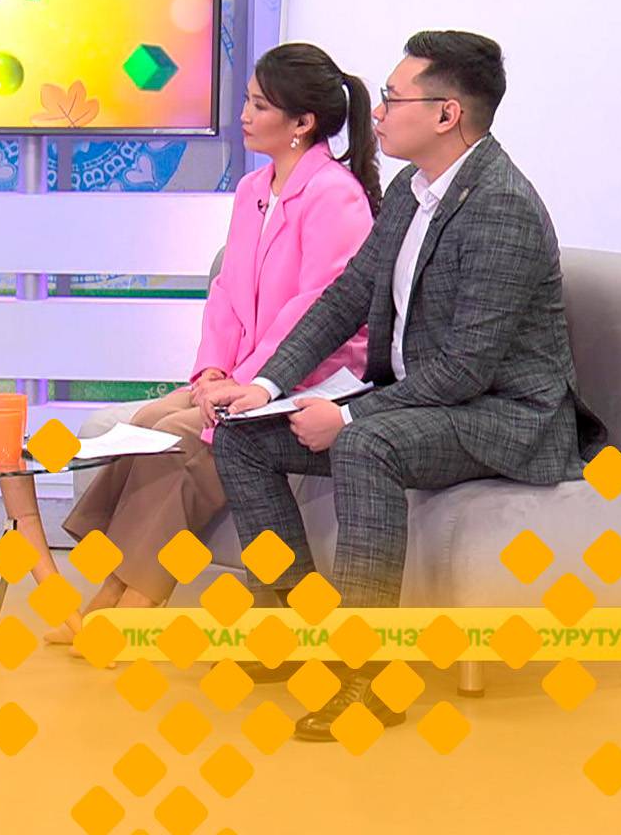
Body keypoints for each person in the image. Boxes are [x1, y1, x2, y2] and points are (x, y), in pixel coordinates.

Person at [206, 30, 608, 741]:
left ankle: (370, 676)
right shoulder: (409, 190)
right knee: (243, 437)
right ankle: (294, 624)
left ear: (447, 114)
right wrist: (266, 385)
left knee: (368, 446)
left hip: (508, 416)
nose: (378, 112)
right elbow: (345, 296)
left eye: (394, 99)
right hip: (430, 398)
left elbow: (465, 371)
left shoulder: (501, 207)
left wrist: (348, 419)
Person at [51, 42, 379, 643]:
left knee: (184, 438)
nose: (244, 116)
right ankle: (109, 597)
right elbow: (227, 292)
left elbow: (315, 313)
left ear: (303, 123)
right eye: (247, 102)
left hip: (308, 377)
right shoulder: (254, 187)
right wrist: (210, 372)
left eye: (260, 106)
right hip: (244, 372)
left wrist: (245, 383)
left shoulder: (336, 196)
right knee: (151, 422)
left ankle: (135, 607)